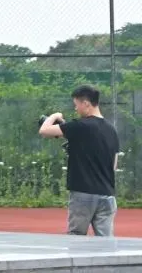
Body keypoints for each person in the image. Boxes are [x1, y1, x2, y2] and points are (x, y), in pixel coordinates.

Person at [39, 85, 121, 236]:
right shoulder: (112, 130)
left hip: (83, 193)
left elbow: (44, 130)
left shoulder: (80, 126)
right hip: (107, 195)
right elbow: (114, 165)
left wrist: (55, 115)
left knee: (76, 237)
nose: (75, 108)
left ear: (86, 104)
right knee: (106, 241)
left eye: (76, 104)